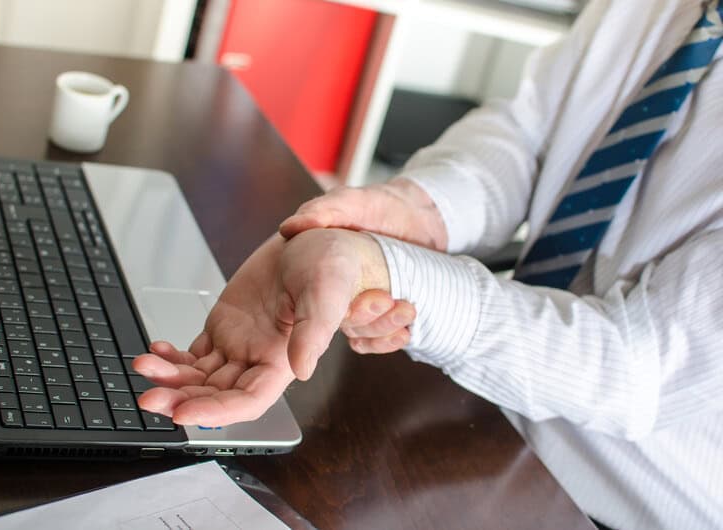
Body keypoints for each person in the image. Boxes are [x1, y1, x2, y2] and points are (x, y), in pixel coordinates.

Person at [133, 0, 723, 527]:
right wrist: (414, 207)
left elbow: (637, 369)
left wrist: (388, 269)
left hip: (600, 501)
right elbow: (527, 135)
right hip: (486, 417)